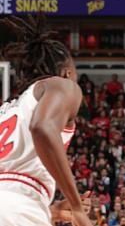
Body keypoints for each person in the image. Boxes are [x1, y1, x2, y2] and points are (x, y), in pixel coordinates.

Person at [0, 15, 91, 226]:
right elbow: (42, 127)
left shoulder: (6, 110)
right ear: (67, 73)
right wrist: (76, 206)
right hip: (19, 210)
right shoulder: (62, 85)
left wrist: (52, 212)